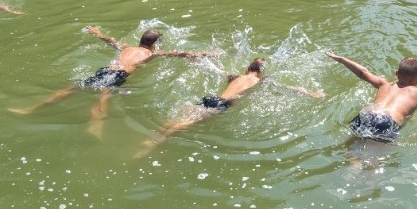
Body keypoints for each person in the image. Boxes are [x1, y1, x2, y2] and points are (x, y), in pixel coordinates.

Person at [9, 26, 217, 138]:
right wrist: (204, 54)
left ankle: (31, 109)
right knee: (103, 98)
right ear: (154, 44)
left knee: (70, 89)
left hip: (106, 70)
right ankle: (95, 126)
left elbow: (110, 40)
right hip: (118, 76)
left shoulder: (126, 47)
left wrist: (97, 33)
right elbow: (178, 54)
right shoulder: (149, 54)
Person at [138, 57, 322, 154]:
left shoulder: (237, 76)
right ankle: (155, 142)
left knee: (182, 115)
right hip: (222, 104)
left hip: (211, 97)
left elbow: (215, 69)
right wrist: (310, 93)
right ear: (260, 73)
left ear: (247, 69)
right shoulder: (260, 82)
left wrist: (200, 59)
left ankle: (158, 133)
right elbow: (288, 88)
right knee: (187, 123)